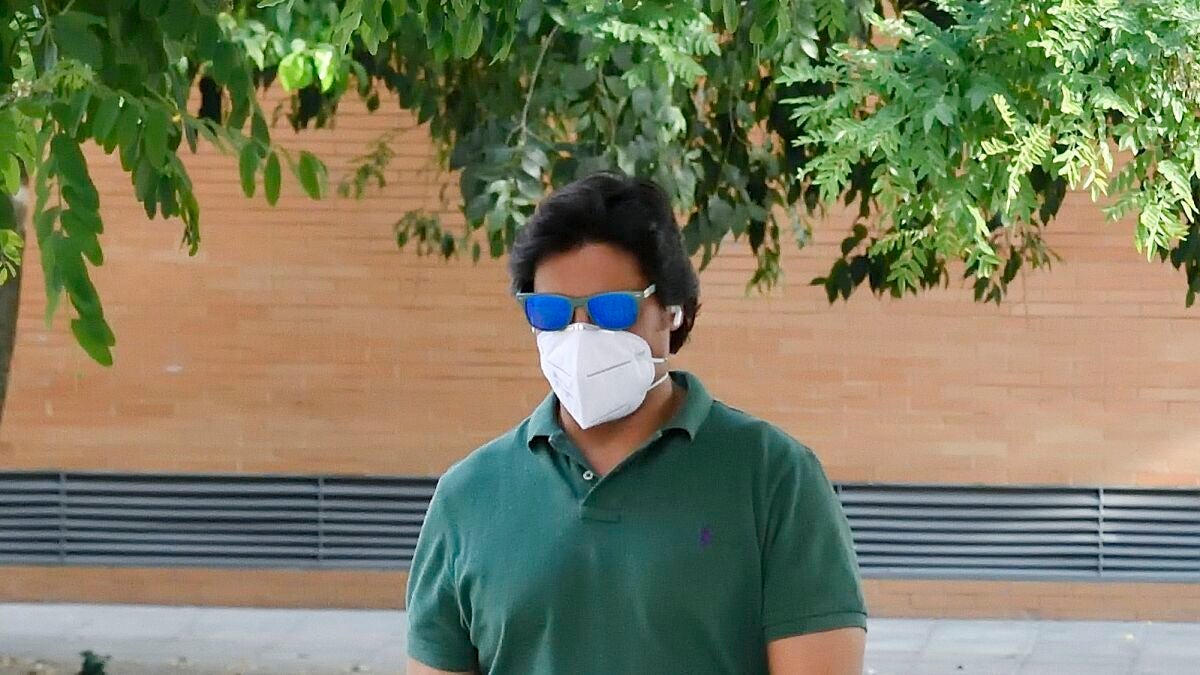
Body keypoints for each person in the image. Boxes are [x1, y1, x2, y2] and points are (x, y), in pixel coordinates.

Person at [406, 172, 867, 674]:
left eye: (611, 310)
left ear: (672, 310)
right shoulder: (469, 496)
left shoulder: (774, 478)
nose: (580, 334)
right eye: (551, 312)